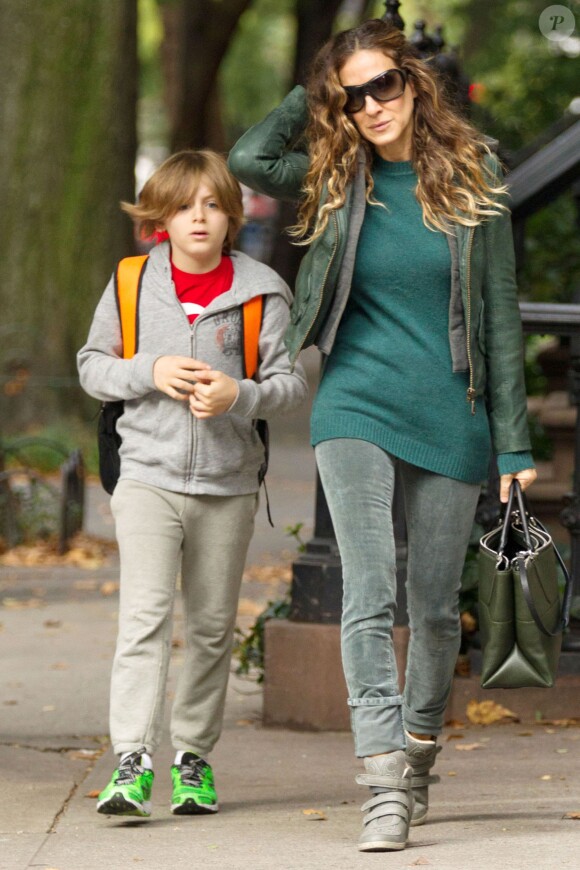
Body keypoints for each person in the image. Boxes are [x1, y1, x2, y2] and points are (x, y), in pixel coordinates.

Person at [228, 18, 537, 853]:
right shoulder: (335, 177)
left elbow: (501, 322)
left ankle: (420, 753)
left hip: (453, 409)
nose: (370, 106)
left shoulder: (474, 179)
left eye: (383, 85)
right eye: (352, 94)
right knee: (369, 597)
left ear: (415, 82)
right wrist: (317, 82)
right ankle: (382, 779)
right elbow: (248, 161)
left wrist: (513, 449)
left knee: (435, 611)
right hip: (356, 404)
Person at [77, 149, 307, 818]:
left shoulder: (262, 289)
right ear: (161, 219)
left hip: (228, 484)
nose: (198, 218)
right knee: (144, 620)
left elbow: (288, 387)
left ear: (232, 215)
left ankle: (193, 762)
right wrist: (147, 370)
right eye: (184, 207)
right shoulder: (129, 283)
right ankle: (129, 762)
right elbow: (94, 367)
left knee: (209, 628)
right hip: (145, 474)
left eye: (211, 204)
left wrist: (239, 394)